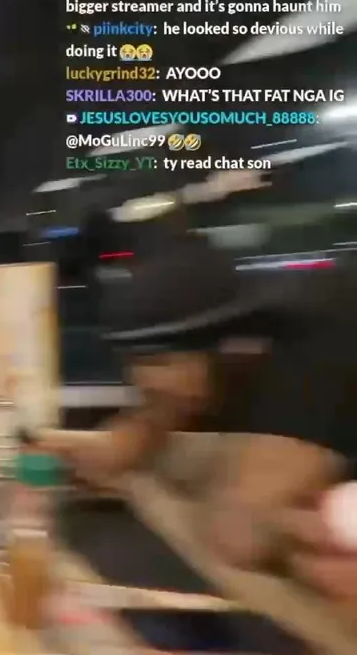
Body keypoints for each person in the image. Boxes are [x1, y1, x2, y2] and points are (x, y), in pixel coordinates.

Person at [41, 233, 357, 576]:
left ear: (228, 349)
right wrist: (86, 451)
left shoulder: (314, 357)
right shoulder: (202, 363)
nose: (144, 382)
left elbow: (238, 538)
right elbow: (138, 430)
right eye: (132, 364)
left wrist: (136, 486)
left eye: (159, 363)